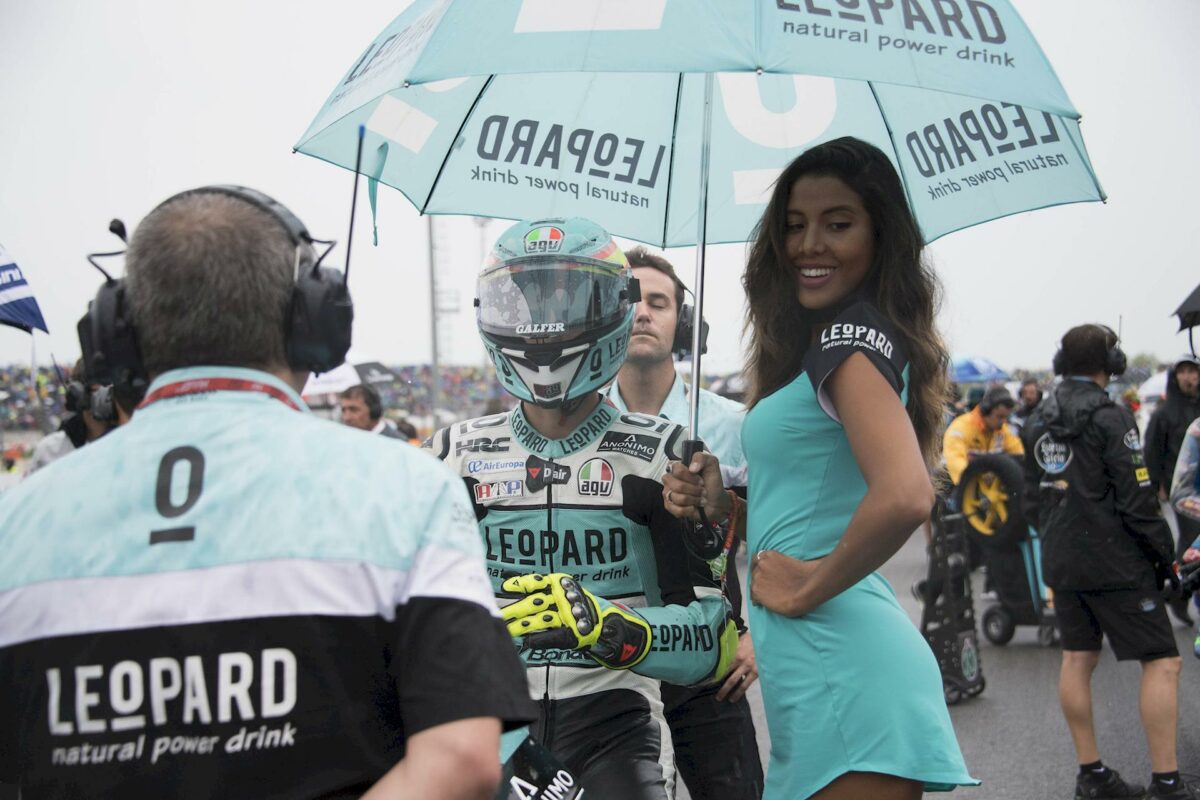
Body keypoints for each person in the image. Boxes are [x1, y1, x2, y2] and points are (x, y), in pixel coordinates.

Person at [0, 185, 534, 799]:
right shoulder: (404, 487)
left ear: (116, 332)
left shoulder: (19, 517)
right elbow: (463, 757)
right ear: (315, 320)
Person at [664, 137, 976, 799]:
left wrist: (808, 588)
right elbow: (814, 509)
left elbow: (905, 496)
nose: (810, 244)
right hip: (818, 668)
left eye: (838, 223)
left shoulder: (849, 342)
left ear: (879, 236)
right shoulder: (833, 343)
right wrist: (727, 508)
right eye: (795, 225)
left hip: (842, 661)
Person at [425, 217, 739, 800]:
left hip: (617, 728)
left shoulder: (664, 456)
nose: (547, 322)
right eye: (526, 299)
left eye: (570, 297)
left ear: (610, 308)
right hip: (487, 727)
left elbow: (713, 644)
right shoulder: (450, 456)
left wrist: (611, 630)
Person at [606, 245, 763, 800]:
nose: (643, 313)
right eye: (629, 300)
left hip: (710, 665)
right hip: (610, 664)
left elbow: (777, 541)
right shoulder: (577, 427)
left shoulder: (736, 426)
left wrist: (761, 636)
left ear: (685, 322)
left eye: (658, 301)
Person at [1022, 324, 1191, 800]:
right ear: (1110, 364)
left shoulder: (1038, 417)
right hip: (1115, 563)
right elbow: (1138, 501)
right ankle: (1167, 783)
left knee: (1077, 657)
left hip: (1060, 557)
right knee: (1163, 662)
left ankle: (1091, 775)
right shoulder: (1113, 418)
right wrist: (1166, 559)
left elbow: (1032, 493)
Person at [942, 386, 1024, 487]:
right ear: (986, 411)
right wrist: (977, 479)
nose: (1003, 422)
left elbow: (1018, 454)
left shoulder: (1002, 430)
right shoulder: (960, 428)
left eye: (1006, 417)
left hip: (991, 491)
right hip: (962, 488)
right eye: (999, 417)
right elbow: (955, 461)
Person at [339, 383, 405, 439]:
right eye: (343, 410)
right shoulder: (345, 441)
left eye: (353, 410)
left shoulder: (398, 443)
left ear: (374, 410)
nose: (346, 418)